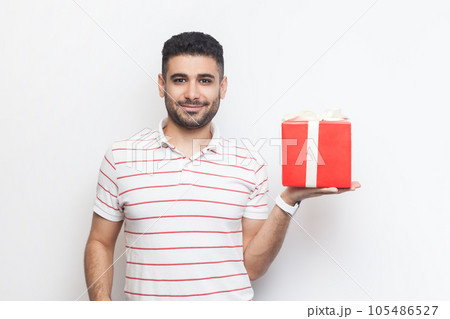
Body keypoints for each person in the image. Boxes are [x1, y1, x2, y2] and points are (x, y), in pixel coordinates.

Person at [84, 31, 361, 301]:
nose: (192, 93)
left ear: (223, 86)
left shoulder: (248, 163)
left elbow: (251, 267)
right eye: (180, 79)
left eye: (205, 80)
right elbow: (100, 242)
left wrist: (289, 199)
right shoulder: (121, 157)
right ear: (161, 84)